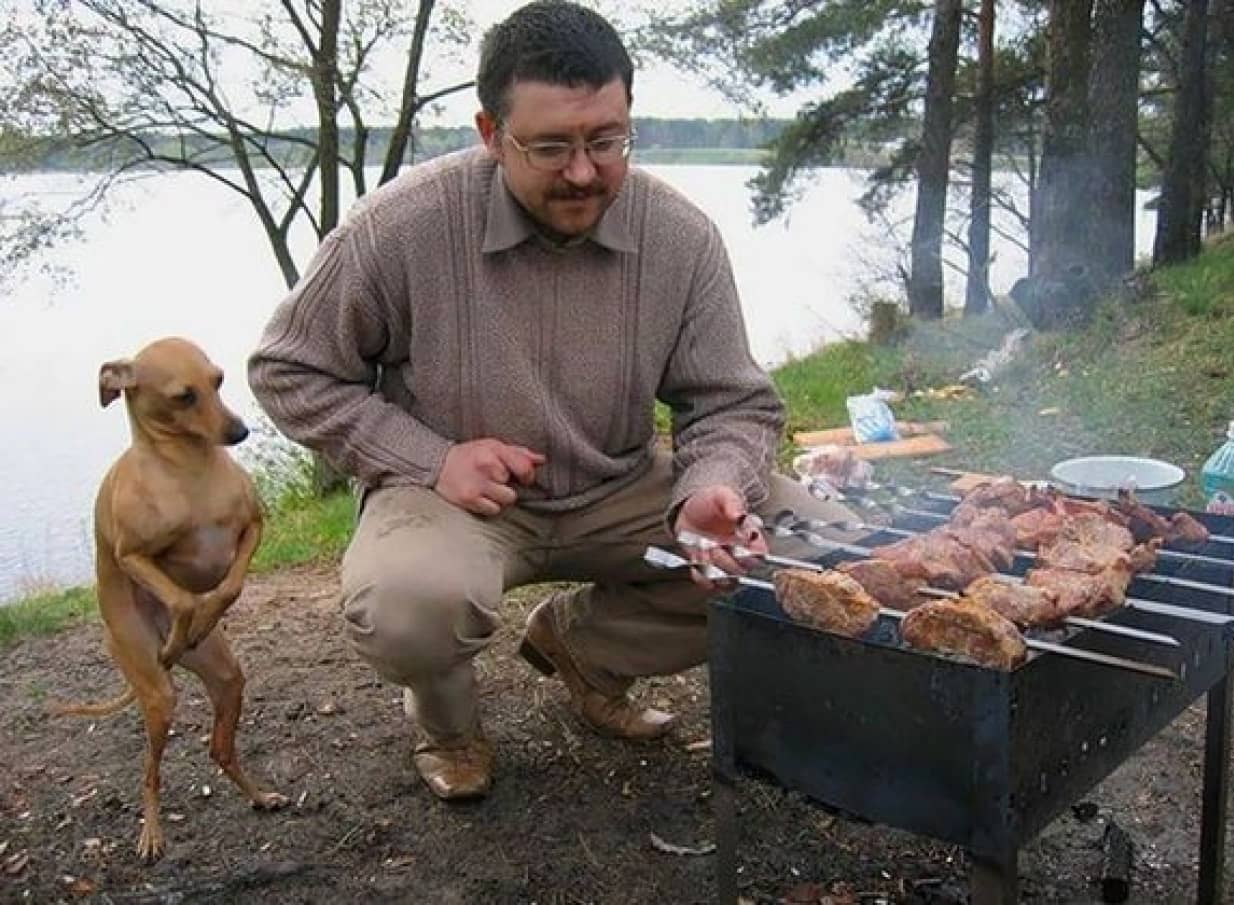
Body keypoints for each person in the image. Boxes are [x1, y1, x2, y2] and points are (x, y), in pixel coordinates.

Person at [248, 0, 856, 801]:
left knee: (822, 549)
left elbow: (733, 404)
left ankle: (586, 648)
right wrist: (431, 459)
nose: (583, 170)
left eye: (606, 140)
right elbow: (287, 369)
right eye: (551, 145)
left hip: (621, 489)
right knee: (409, 606)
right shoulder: (400, 226)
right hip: (461, 501)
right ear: (490, 133)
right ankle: (449, 725)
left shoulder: (682, 237)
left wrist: (712, 485)